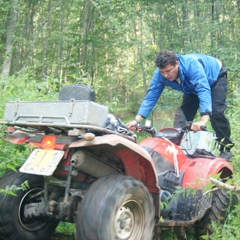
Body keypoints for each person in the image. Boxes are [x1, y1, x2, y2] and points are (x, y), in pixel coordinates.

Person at [127, 50, 234, 160]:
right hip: (191, 87)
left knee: (216, 112)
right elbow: (151, 97)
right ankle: (177, 151)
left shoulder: (191, 65)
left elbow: (203, 89)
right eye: (162, 72)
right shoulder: (160, 75)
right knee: (181, 117)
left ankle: (226, 149)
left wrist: (203, 120)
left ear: (176, 63)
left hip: (215, 77)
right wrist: (137, 120)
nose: (166, 75)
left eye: (168, 71)